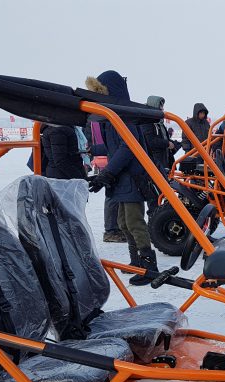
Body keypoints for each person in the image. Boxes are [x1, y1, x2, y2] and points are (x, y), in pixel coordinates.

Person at [85, 70, 157, 286]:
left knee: (134, 222)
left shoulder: (124, 116)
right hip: (121, 177)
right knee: (123, 222)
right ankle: (136, 262)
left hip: (131, 177)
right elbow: (111, 147)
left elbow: (127, 148)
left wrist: (108, 173)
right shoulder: (111, 116)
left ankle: (148, 267)